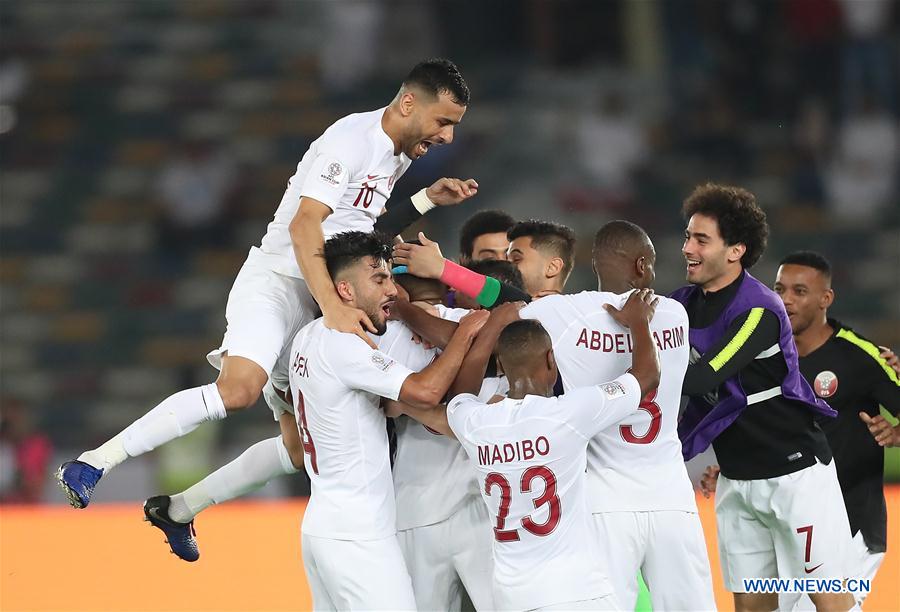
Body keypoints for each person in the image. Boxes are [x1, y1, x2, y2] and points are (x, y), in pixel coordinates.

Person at [56, 58, 479, 509]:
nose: (448, 136)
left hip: (318, 297)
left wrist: (426, 199)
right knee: (238, 390)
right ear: (409, 103)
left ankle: (179, 510)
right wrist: (333, 307)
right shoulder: (351, 141)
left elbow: (359, 233)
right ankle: (93, 462)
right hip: (279, 283)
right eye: (443, 122)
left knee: (298, 451)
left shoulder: (395, 155)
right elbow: (304, 226)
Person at [397, 289, 662, 611]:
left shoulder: (477, 422)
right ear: (551, 359)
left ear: (504, 368)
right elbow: (647, 375)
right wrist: (639, 322)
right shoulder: (569, 413)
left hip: (513, 594)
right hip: (576, 590)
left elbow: (451, 403)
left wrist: (394, 398)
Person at [671, 184, 856, 612]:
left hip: (795, 478)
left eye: (701, 239)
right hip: (737, 482)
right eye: (687, 236)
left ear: (735, 250)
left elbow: (701, 379)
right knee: (751, 607)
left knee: (830, 604)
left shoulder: (759, 310)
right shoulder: (683, 303)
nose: (687, 248)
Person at [516, 220, 716, 610]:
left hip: (604, 501)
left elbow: (503, 301)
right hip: (670, 497)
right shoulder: (675, 315)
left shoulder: (562, 313)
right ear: (642, 266)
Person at [288, 231, 488, 610]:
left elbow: (386, 404)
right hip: (357, 530)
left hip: (322, 523)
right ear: (345, 289)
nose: (392, 290)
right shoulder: (347, 343)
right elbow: (425, 392)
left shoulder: (307, 337)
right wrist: (465, 335)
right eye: (379, 279)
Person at [701, 250, 900, 609]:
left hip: (850, 523)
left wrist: (899, 433)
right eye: (780, 289)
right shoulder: (765, 352)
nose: (786, 300)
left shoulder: (859, 355)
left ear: (826, 299)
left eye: (799, 291)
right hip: (787, 514)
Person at [506, 219, 576, 298]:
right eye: (506, 259)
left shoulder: (585, 309)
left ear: (552, 267)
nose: (504, 264)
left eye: (516, 259)